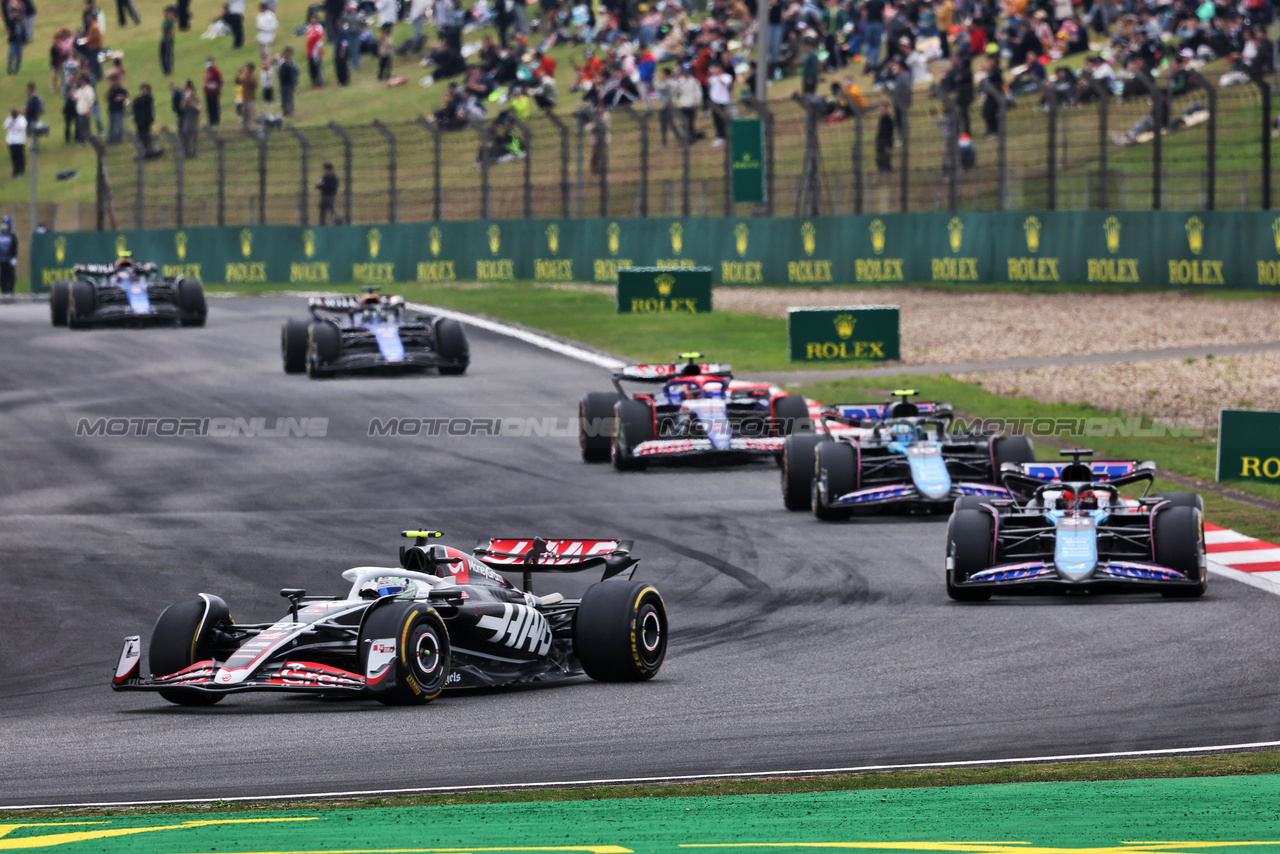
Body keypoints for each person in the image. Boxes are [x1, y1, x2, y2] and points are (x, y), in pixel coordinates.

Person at [707, 61, 733, 147]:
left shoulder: (727, 76)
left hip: (722, 100)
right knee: (716, 120)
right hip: (714, 101)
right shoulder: (712, 78)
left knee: (723, 119)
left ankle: (725, 135)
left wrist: (717, 75)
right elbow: (708, 83)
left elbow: (724, 83)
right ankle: (720, 136)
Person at [132, 80, 154, 153]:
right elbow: (134, 106)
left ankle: (148, 149)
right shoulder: (138, 99)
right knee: (140, 135)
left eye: (145, 89)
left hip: (146, 120)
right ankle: (142, 149)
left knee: (146, 135)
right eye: (143, 89)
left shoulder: (149, 98)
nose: (144, 91)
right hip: (139, 120)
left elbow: (143, 102)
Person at [105, 73, 127, 142]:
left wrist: (121, 97)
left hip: (119, 110)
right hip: (111, 109)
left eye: (115, 80)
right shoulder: (111, 90)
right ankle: (111, 139)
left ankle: (119, 138)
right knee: (111, 125)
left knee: (119, 125)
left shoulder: (121, 89)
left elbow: (126, 97)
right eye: (112, 81)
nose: (113, 82)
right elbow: (107, 98)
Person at [180, 78, 199, 153]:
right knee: (186, 136)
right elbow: (182, 107)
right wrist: (185, 100)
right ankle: (186, 150)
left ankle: (194, 150)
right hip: (187, 121)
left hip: (194, 121)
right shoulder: (185, 101)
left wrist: (191, 102)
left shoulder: (196, 100)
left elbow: (198, 108)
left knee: (194, 137)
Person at [278, 45, 298, 116]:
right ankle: (285, 112)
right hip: (283, 84)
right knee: (283, 100)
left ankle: (290, 112)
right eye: (286, 53)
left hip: (290, 84)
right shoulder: (281, 64)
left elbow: (296, 74)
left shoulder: (293, 64)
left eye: (288, 53)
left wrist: (295, 83)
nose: (287, 55)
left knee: (290, 99)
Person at [4, 108, 24, 175]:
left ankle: (21, 169)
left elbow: (22, 126)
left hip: (19, 141)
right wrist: (10, 119)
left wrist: (16, 120)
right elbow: (5, 126)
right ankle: (15, 170)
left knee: (19, 156)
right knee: (13, 157)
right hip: (11, 141)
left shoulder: (21, 119)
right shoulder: (10, 119)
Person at [305, 14, 324, 87]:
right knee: (311, 68)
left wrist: (320, 51)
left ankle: (319, 82)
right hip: (310, 52)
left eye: (314, 19)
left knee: (318, 68)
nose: (312, 20)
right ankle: (313, 82)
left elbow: (320, 41)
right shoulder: (309, 28)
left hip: (316, 52)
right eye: (311, 19)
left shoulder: (318, 28)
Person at [0, 216, 16, 300]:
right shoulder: (0, 234)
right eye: (3, 223)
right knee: (3, 275)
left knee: (10, 275)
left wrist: (14, 257)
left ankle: (10, 290)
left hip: (9, 258)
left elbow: (14, 246)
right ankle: (4, 290)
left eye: (6, 224)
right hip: (1, 258)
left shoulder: (12, 234)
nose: (4, 225)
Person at [874, 101, 893, 173]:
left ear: (886, 109)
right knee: (879, 160)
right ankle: (882, 175)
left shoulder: (888, 119)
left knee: (886, 161)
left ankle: (888, 176)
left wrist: (889, 145)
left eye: (883, 108)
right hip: (880, 143)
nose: (881, 110)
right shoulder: (882, 118)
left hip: (885, 144)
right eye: (881, 108)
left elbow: (890, 133)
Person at [236, 62, 256, 127]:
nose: (246, 69)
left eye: (247, 68)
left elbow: (253, 85)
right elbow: (238, 82)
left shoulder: (252, 77)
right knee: (244, 114)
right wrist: (238, 75)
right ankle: (245, 127)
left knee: (252, 114)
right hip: (244, 98)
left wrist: (247, 76)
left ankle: (254, 127)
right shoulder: (243, 77)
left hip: (251, 99)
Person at [203, 57, 222, 125]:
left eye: (208, 62)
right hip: (208, 92)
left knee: (214, 106)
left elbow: (219, 81)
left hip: (214, 92)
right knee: (209, 107)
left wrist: (216, 88)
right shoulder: (207, 71)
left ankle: (215, 120)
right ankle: (211, 120)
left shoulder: (215, 71)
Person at [160, 6, 175, 76]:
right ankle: (165, 70)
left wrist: (168, 40)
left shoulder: (170, 21)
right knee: (162, 56)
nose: (164, 14)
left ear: (168, 13)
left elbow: (171, 31)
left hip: (168, 41)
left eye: (165, 12)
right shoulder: (164, 21)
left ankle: (169, 70)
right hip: (163, 40)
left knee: (167, 56)